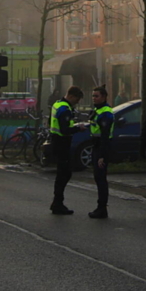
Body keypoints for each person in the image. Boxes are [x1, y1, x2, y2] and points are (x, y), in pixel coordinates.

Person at [49, 85, 84, 215]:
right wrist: (78, 128)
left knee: (63, 173)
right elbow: (65, 130)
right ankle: (57, 203)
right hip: (62, 143)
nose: (77, 102)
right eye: (77, 99)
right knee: (64, 174)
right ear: (71, 96)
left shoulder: (57, 104)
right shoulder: (65, 109)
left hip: (56, 142)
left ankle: (57, 202)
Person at [87, 85, 114, 219]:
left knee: (101, 178)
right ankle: (100, 207)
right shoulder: (98, 110)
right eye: (93, 96)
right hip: (96, 146)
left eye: (96, 96)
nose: (94, 98)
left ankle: (102, 208)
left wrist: (102, 156)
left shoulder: (105, 113)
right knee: (98, 178)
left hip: (102, 147)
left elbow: (104, 135)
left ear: (103, 97)